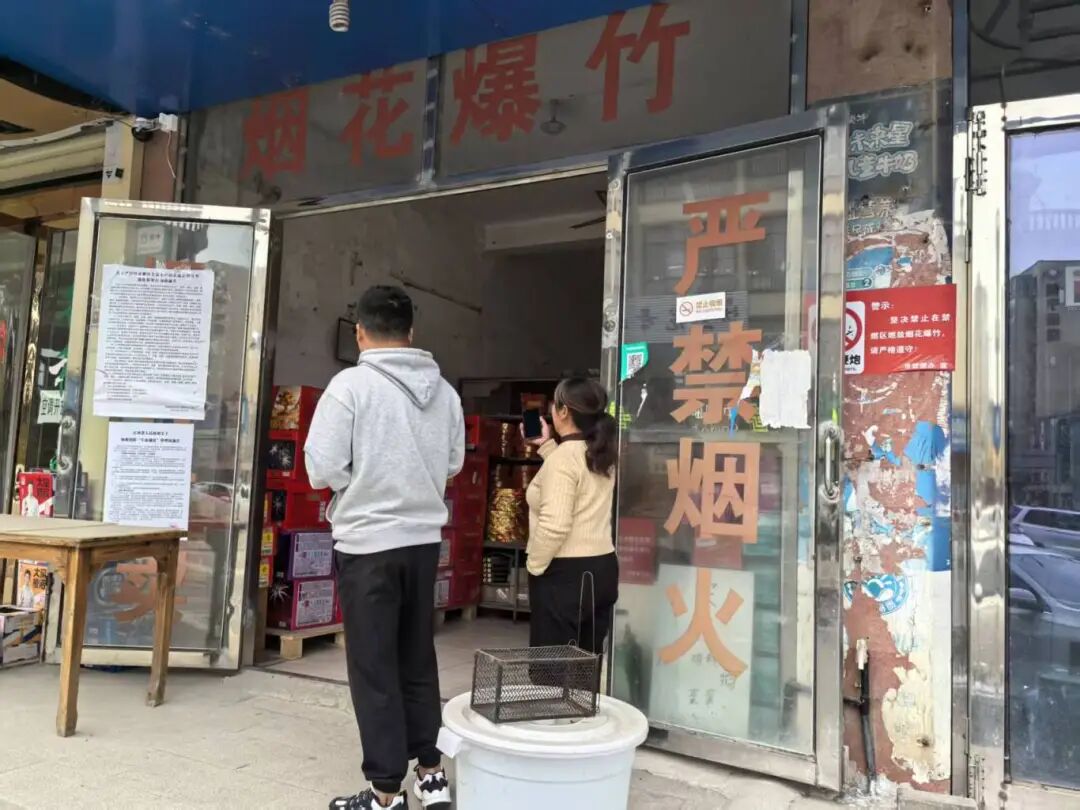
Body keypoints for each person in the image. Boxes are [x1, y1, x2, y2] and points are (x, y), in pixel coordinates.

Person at [305, 285, 463, 810]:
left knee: (374, 667)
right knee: (417, 657)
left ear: (360, 333)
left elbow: (321, 467)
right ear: (412, 332)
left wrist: (360, 481)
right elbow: (454, 463)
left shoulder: (350, 387)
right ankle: (432, 775)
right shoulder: (445, 393)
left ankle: (385, 793)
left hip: (368, 544)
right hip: (422, 543)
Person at [523, 378, 619, 656]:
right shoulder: (600, 454)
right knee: (585, 662)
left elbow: (555, 525)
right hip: (601, 568)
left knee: (553, 668)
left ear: (563, 411)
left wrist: (534, 565)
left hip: (565, 573)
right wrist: (547, 446)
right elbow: (575, 477)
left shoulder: (564, 459)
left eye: (555, 404)